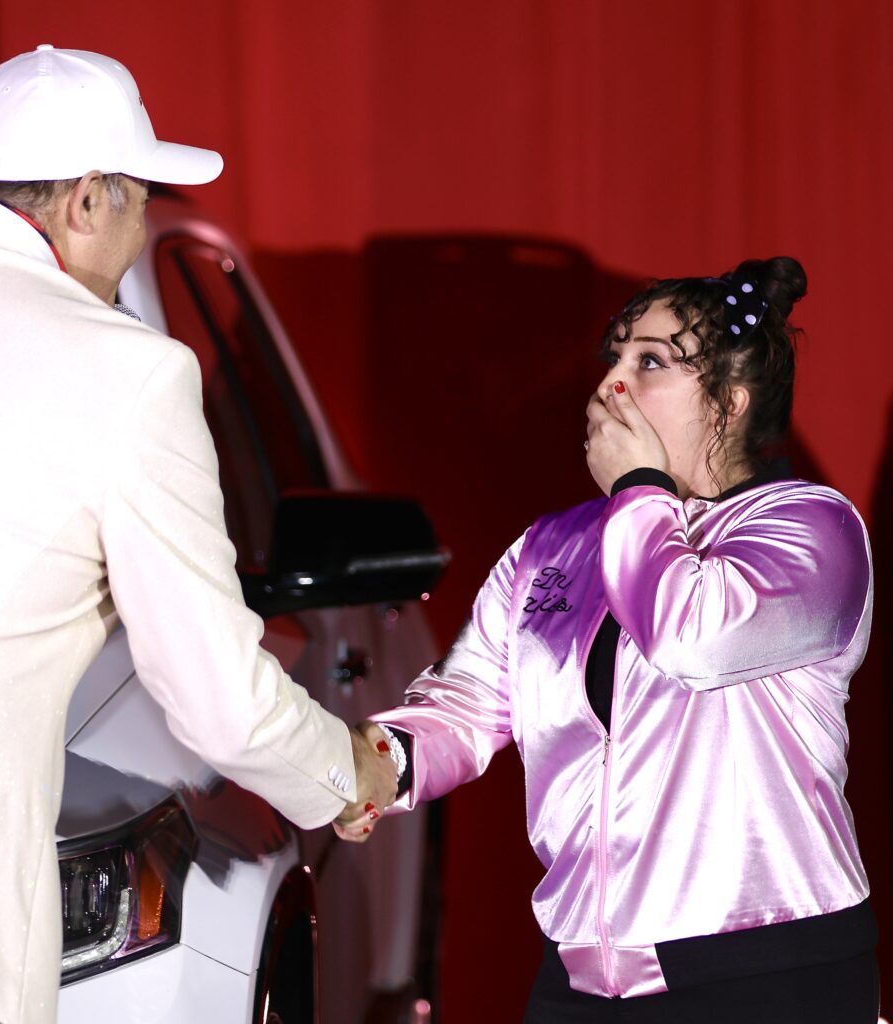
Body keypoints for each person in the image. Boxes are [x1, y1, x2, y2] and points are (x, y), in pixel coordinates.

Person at [0, 46, 391, 1024]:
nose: (143, 227)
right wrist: (341, 772)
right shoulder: (127, 373)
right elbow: (213, 696)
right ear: (87, 200)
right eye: (141, 199)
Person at [339, 257, 879, 1022]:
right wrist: (385, 759)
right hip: (582, 980)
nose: (609, 384)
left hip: (765, 974)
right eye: (614, 357)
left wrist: (638, 491)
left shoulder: (811, 531)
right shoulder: (551, 547)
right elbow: (466, 702)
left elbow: (689, 634)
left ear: (729, 401)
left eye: (650, 361)